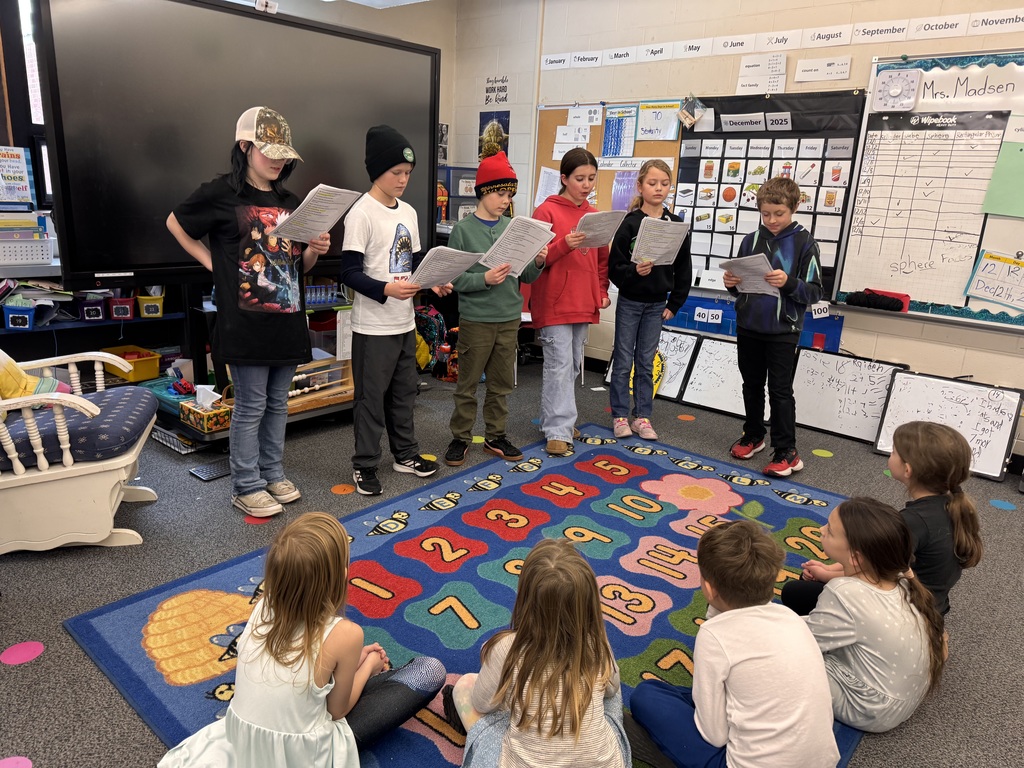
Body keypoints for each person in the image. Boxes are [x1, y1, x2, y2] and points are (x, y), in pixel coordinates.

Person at [158, 512, 446, 767]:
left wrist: (353, 663)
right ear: (341, 576)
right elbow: (337, 711)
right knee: (429, 671)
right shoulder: (345, 633)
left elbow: (302, 671)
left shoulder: (263, 605)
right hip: (304, 754)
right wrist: (368, 665)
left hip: (242, 740)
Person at [167, 107, 331, 517]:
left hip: (288, 320)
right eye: (267, 150)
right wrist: (212, 263)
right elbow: (175, 223)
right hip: (245, 324)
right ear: (245, 147)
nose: (277, 160)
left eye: (282, 153)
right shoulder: (221, 193)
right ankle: (246, 483)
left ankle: (272, 473)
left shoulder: (292, 203)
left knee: (278, 403)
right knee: (251, 405)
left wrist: (313, 250)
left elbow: (299, 268)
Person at [629, 520, 838, 768]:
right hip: (824, 761)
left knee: (647, 694)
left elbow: (714, 735)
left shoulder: (714, 636)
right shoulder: (792, 618)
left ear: (708, 587)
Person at [444, 538, 630, 768]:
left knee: (466, 685)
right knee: (612, 690)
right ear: (589, 603)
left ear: (525, 598)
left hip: (525, 760)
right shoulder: (596, 644)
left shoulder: (507, 649)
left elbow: (482, 704)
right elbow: (611, 689)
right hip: (603, 762)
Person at [782, 421, 983, 621]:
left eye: (894, 452)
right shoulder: (951, 502)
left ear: (908, 470)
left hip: (907, 608)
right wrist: (827, 569)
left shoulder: (911, 523)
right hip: (935, 601)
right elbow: (871, 558)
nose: (890, 454)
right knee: (813, 577)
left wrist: (825, 576)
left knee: (794, 591)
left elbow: (873, 574)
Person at [340, 125, 446, 496]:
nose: (403, 180)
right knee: (370, 400)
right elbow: (348, 271)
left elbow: (415, 259)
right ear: (377, 172)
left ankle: (406, 454)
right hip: (372, 327)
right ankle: (365, 464)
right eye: (396, 173)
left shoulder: (410, 212)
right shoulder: (361, 213)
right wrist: (386, 289)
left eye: (408, 174)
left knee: (404, 394)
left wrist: (432, 280)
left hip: (404, 323)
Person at [803, 498, 946, 733]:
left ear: (856, 558)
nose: (821, 530)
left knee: (786, 663)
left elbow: (805, 644)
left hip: (870, 707)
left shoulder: (843, 592)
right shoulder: (901, 577)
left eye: (829, 530)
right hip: (903, 698)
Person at [444, 150, 546, 467]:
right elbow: (453, 279)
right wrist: (483, 279)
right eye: (501, 193)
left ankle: (495, 435)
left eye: (509, 195)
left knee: (502, 384)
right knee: (468, 385)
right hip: (477, 319)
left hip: (508, 318)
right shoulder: (463, 231)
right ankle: (460, 437)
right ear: (484, 191)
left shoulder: (512, 228)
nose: (505, 200)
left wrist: (539, 260)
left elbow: (526, 275)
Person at [723, 176, 822, 477]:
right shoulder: (749, 241)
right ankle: (754, 435)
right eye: (766, 214)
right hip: (749, 325)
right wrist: (731, 285)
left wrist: (788, 283)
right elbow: (741, 285)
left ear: (794, 207)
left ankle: (786, 451)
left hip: (783, 329)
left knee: (780, 391)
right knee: (751, 385)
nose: (772, 220)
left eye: (779, 213)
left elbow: (815, 292)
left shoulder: (805, 242)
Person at [531, 148, 610, 456]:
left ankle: (558, 420)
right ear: (564, 179)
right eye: (580, 178)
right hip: (554, 302)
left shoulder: (593, 215)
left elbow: (601, 259)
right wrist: (564, 244)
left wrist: (602, 289)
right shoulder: (546, 212)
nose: (586, 184)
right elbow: (536, 261)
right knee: (558, 364)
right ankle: (558, 429)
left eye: (591, 178)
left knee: (572, 365)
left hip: (583, 299)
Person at [607, 159, 692, 442]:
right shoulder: (630, 223)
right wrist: (634, 271)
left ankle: (642, 417)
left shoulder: (676, 225)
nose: (658, 189)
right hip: (630, 301)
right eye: (652, 183)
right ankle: (620, 415)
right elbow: (615, 267)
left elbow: (684, 266)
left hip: (658, 303)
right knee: (622, 361)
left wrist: (675, 303)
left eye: (664, 184)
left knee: (645, 362)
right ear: (640, 186)